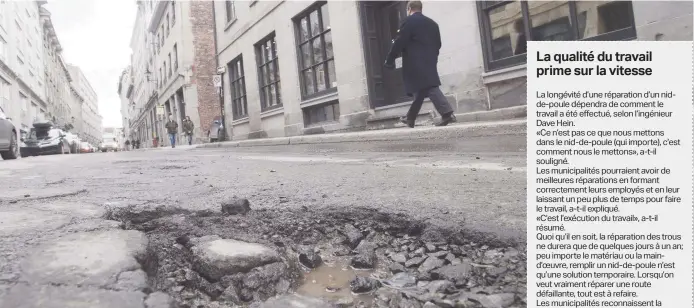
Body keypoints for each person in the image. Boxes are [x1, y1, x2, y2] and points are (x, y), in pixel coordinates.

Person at [383, 0, 456, 128]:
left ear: (410, 8)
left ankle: (447, 113)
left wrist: (390, 59)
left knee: (429, 87)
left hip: (415, 61)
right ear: (420, 8)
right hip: (431, 59)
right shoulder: (433, 24)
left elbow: (400, 41)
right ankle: (410, 118)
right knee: (420, 89)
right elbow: (438, 44)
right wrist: (433, 57)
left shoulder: (409, 21)